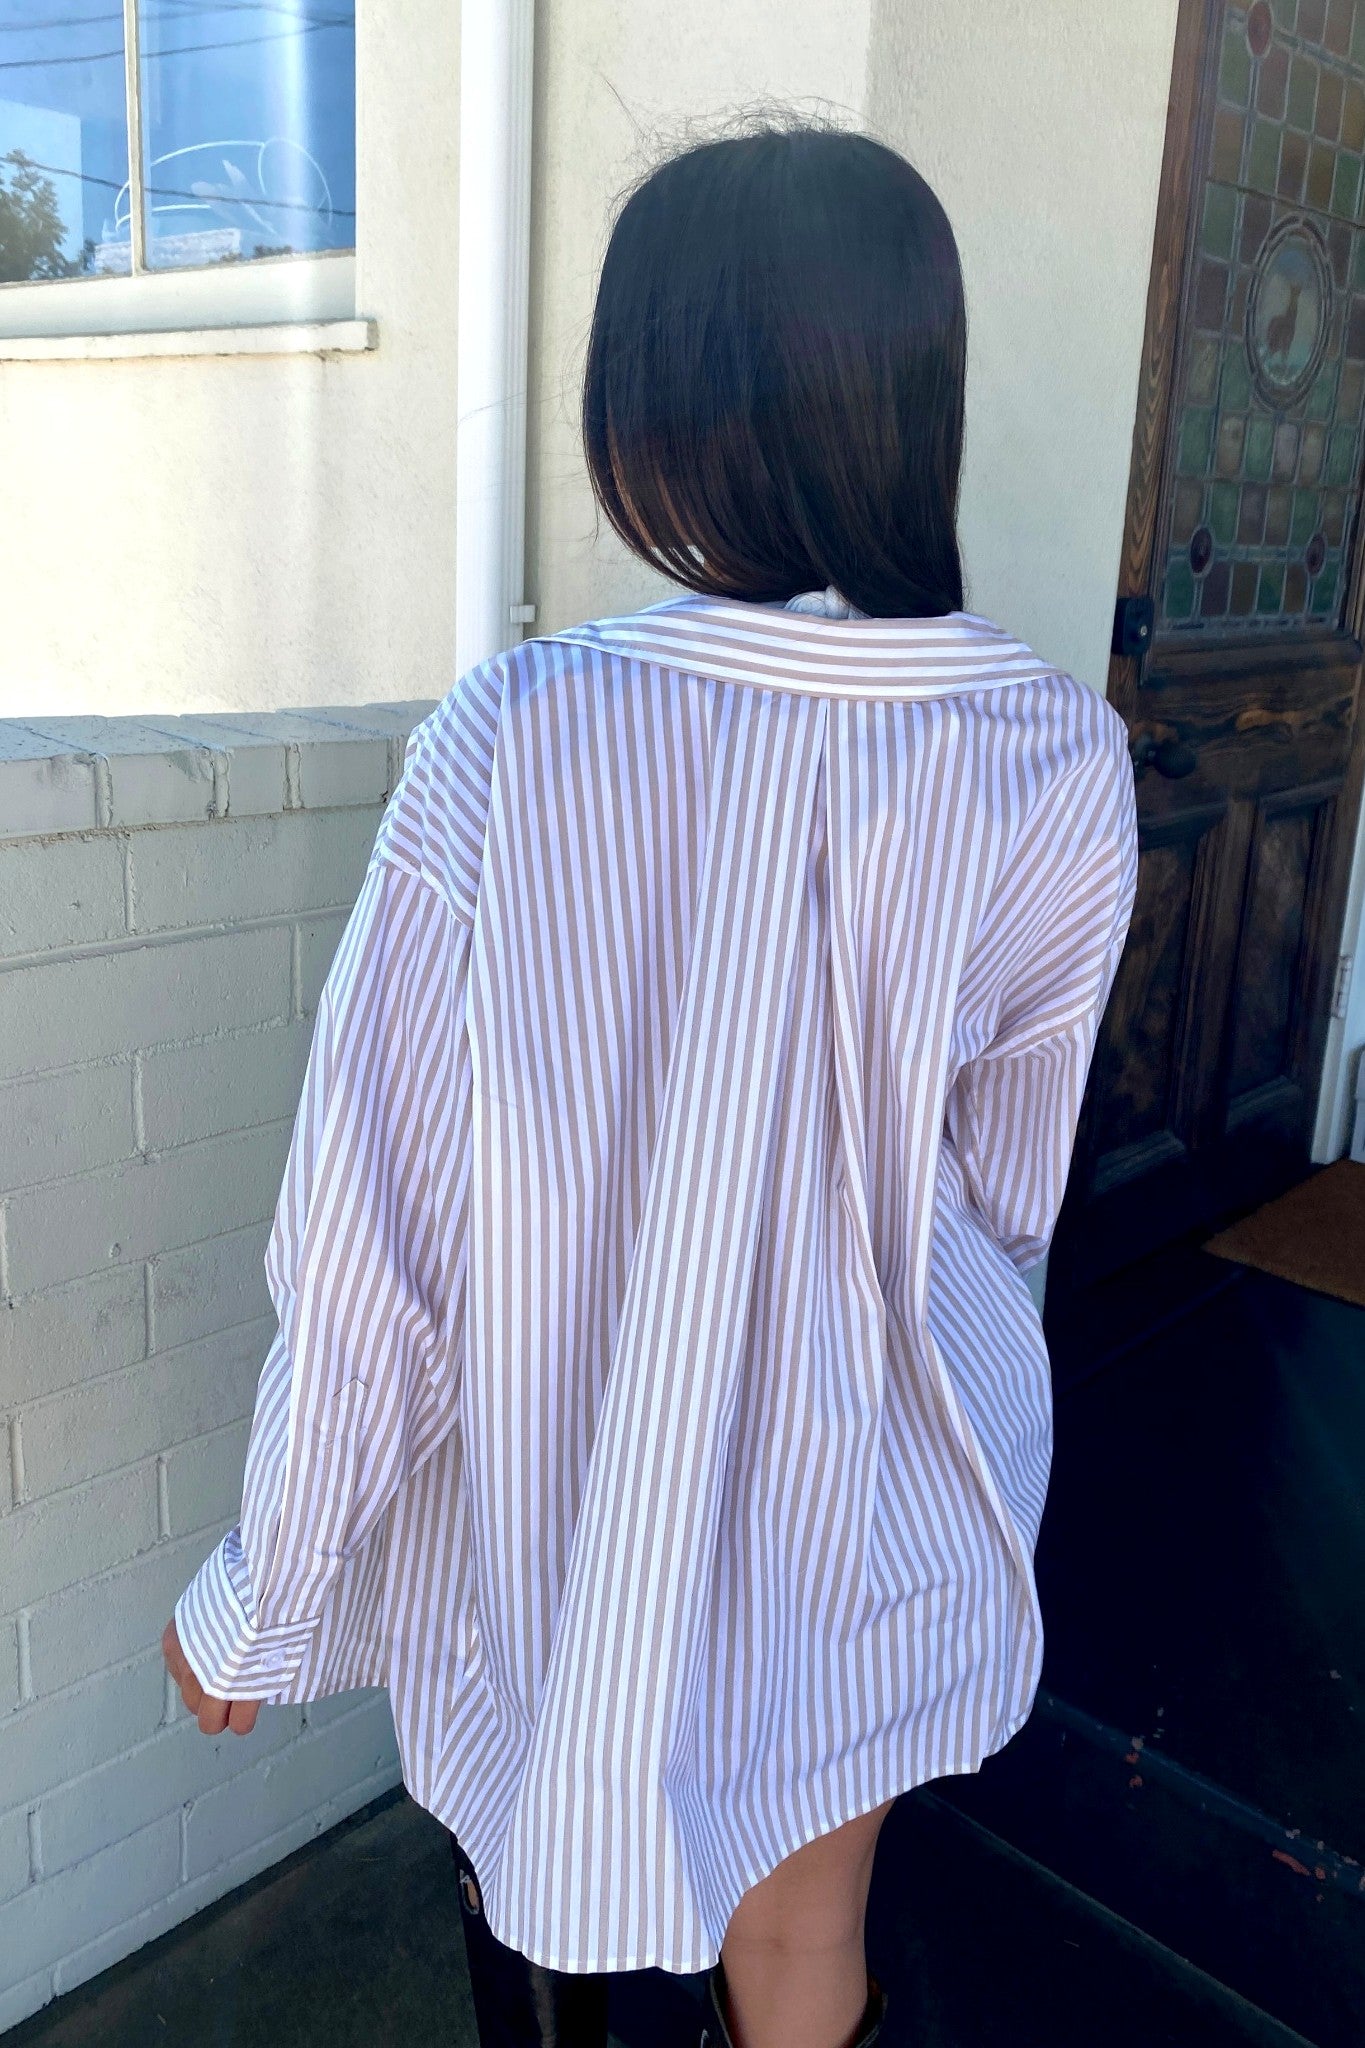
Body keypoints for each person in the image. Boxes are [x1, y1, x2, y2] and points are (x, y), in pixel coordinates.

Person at [163, 115, 1140, 2048]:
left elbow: (379, 1240)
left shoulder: (516, 742)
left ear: (661, 413)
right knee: (802, 1940)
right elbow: (995, 1199)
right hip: (863, 1494)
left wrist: (268, 1588)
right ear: (904, 402)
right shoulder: (1051, 757)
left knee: (532, 1880)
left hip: (551, 1501)